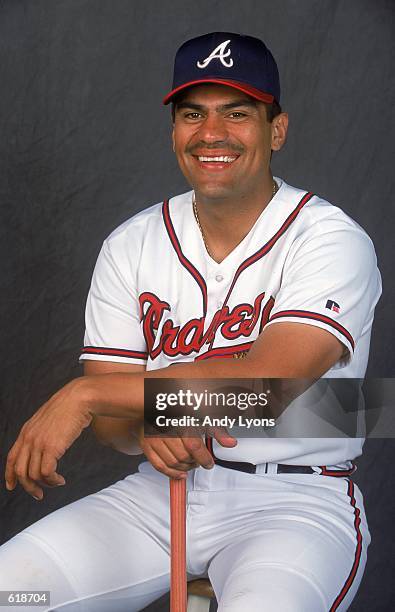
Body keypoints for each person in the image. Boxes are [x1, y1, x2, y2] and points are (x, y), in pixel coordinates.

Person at [1, 32, 382, 611]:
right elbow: (114, 429)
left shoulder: (330, 238)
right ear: (175, 132)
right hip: (161, 494)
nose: (212, 134)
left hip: (296, 501)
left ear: (276, 129)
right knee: (14, 593)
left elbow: (272, 387)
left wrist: (84, 394)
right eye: (192, 114)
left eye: (237, 113)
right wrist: (157, 418)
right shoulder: (130, 244)